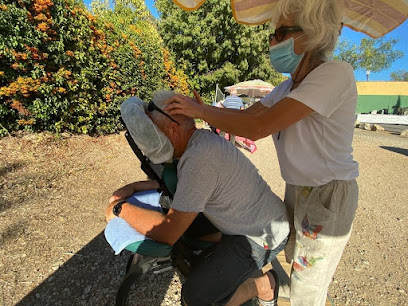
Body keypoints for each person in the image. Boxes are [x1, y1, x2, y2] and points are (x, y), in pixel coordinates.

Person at [164, 1, 359, 305]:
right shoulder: (290, 87)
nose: (271, 41)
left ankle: (287, 292)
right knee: (299, 263)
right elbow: (248, 116)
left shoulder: (334, 74)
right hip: (299, 188)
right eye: (272, 33)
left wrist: (201, 111)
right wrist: (206, 112)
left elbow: (258, 126)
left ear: (312, 32)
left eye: (280, 32)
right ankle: (271, 286)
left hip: (327, 192)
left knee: (309, 285)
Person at [106, 91, 289, 305]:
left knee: (196, 298)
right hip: (252, 220)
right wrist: (135, 187)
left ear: (173, 129)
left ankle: (264, 286)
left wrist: (120, 209)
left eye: (155, 132)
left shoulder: (199, 159)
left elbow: (167, 233)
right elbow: (187, 187)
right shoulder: (198, 143)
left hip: (262, 236)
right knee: (195, 241)